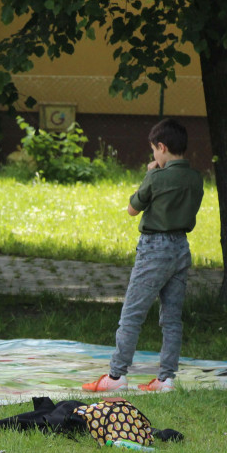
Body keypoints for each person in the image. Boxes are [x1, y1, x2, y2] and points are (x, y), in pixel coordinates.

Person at [82, 118, 204, 394]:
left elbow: (132, 208)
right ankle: (166, 379)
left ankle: (116, 375)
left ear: (161, 147)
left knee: (132, 314)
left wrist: (150, 174)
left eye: (154, 151)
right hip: (181, 249)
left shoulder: (156, 177)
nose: (153, 156)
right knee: (171, 318)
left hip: (154, 250)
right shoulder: (196, 178)